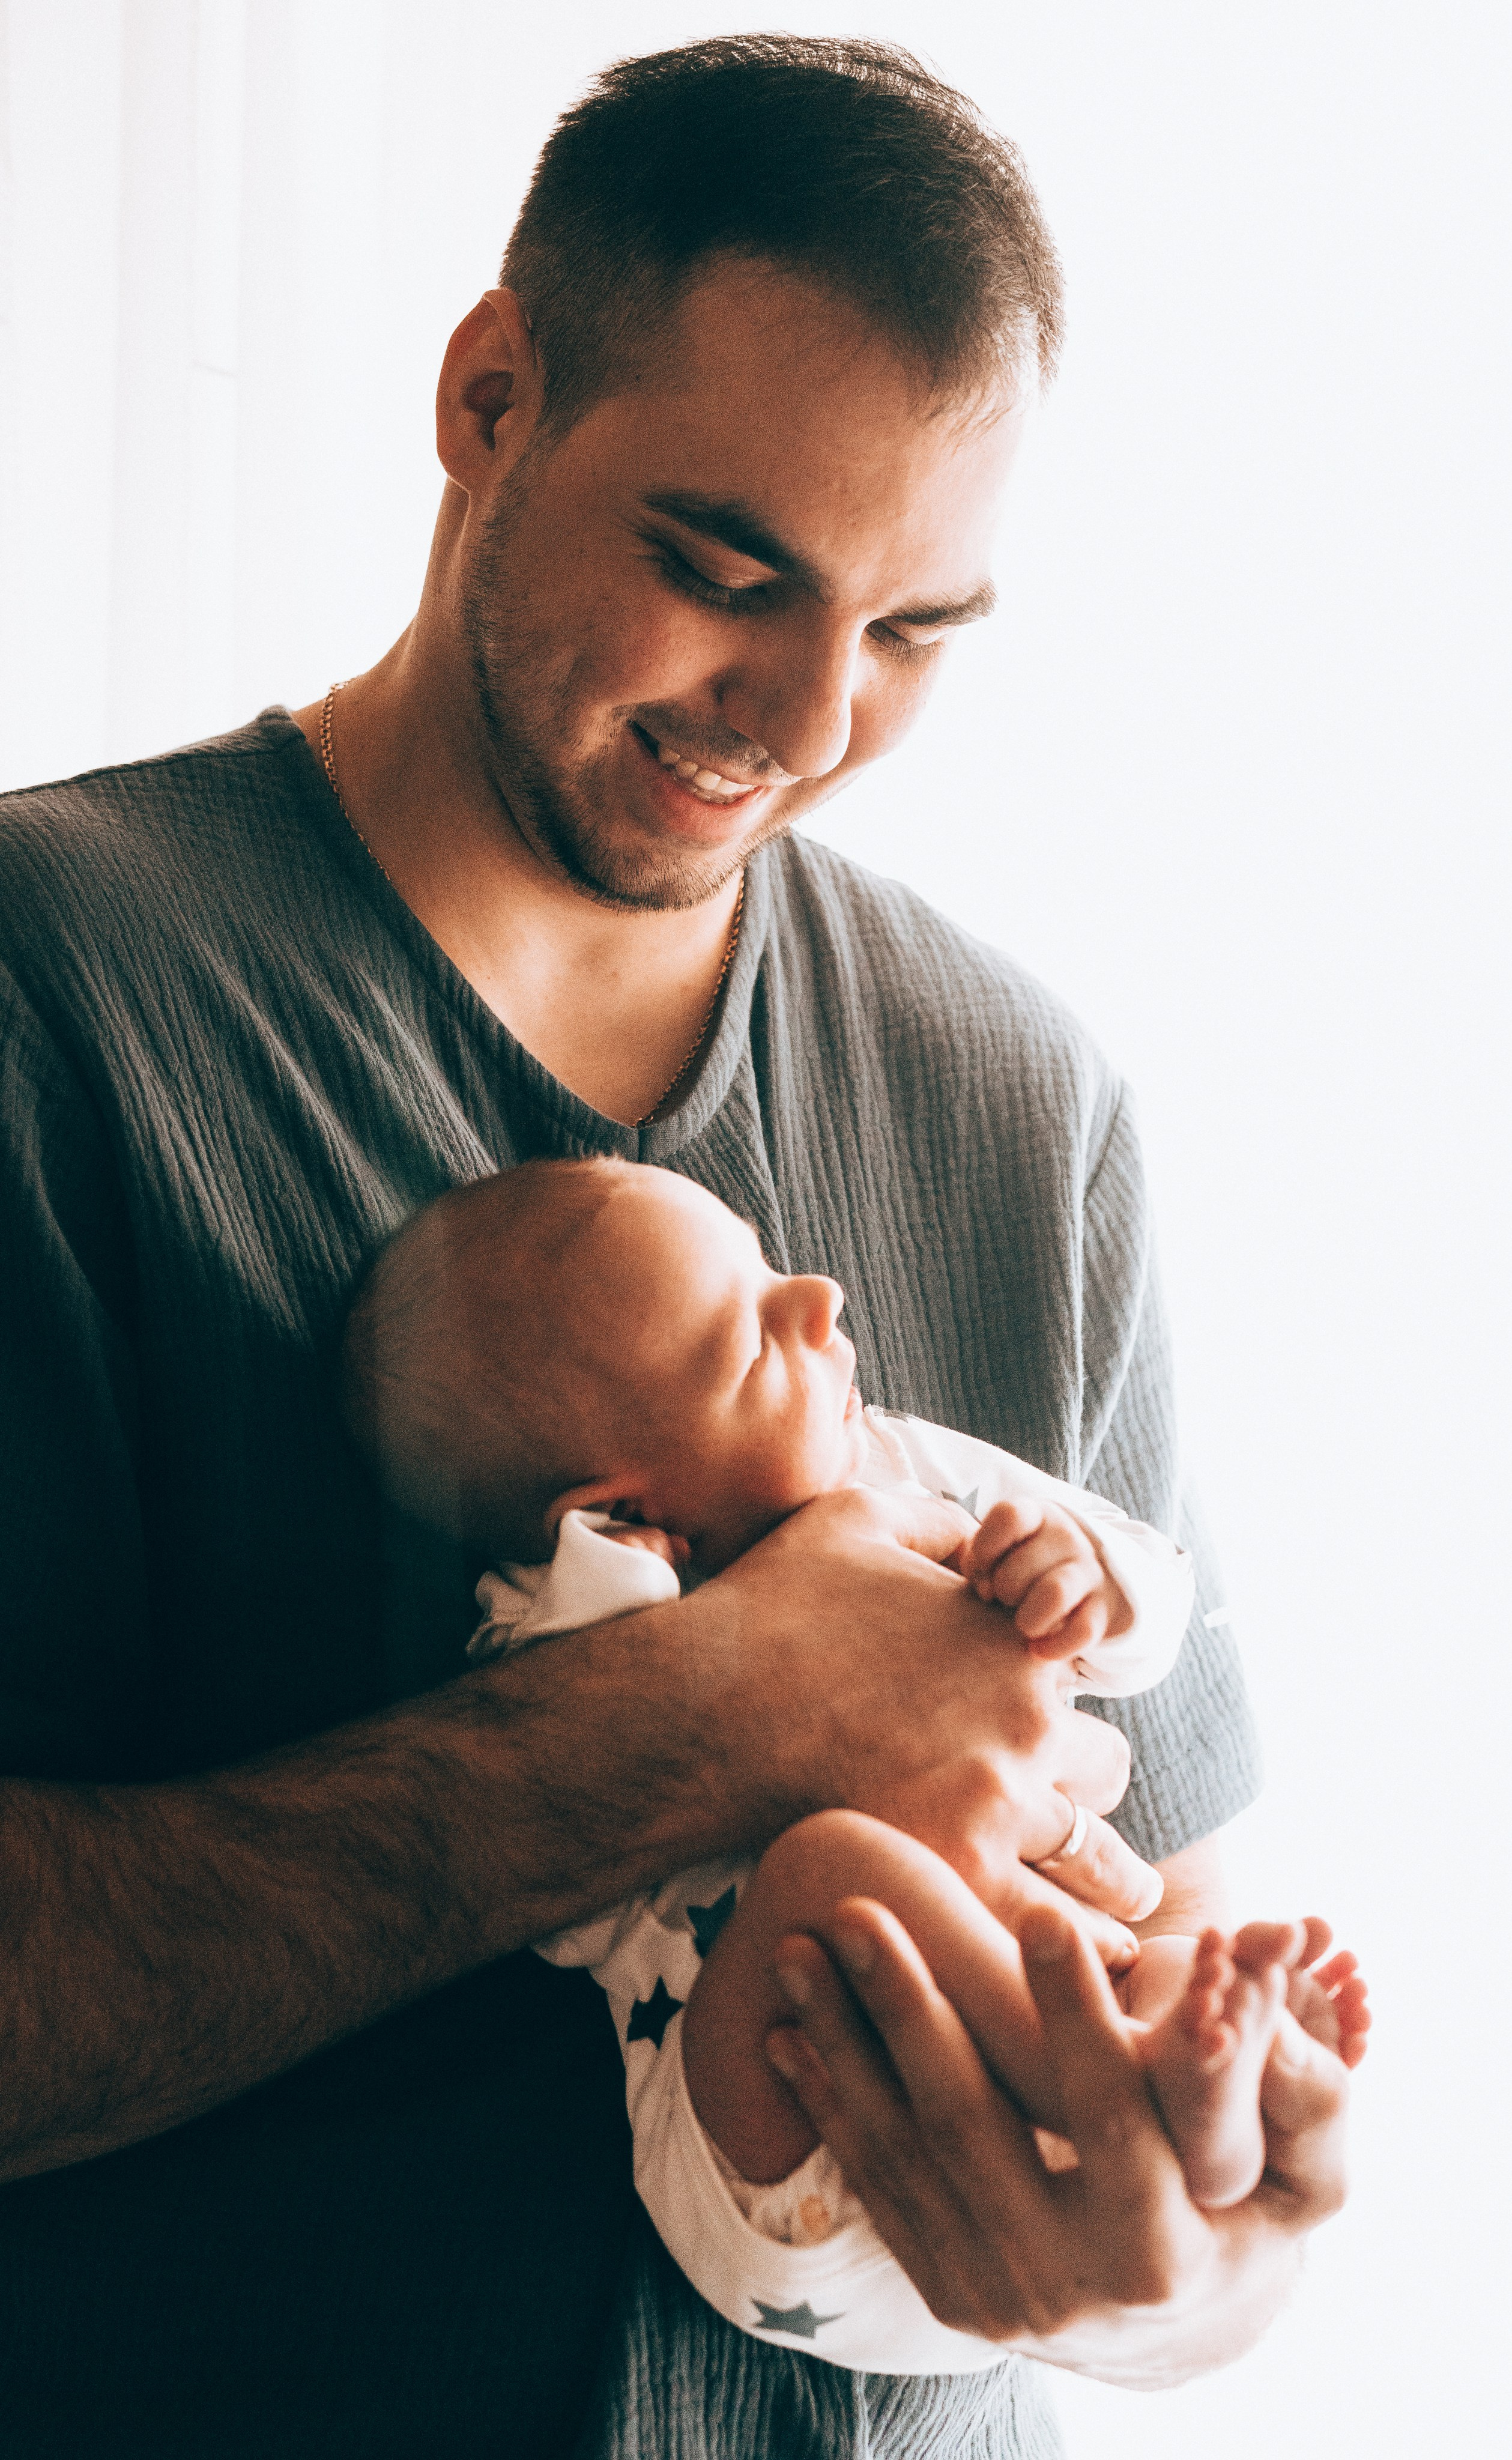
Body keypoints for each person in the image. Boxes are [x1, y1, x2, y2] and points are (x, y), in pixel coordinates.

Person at [0, 34, 1349, 2460]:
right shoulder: (55, 987)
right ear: (487, 397)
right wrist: (722, 1711)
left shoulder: (1024, 1107)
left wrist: (1181, 2274)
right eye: (723, 571)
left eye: (916, 628)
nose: (807, 714)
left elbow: (1183, 2066)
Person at [340, 1153, 1368, 2372]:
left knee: (1161, 1951)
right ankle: (1119, 2077)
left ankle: (1182, 2084)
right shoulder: (554, 1615)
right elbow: (542, 1766)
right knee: (831, 1864)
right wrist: (659, 1587)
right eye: (747, 1340)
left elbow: (1147, 1597)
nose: (819, 1299)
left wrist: (1085, 1577)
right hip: (770, 2149)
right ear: (615, 1513)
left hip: (1055, 2224)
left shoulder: (898, 1463)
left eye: (773, 1267)